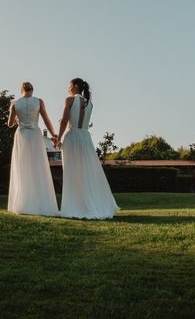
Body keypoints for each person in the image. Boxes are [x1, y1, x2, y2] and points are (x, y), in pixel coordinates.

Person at [56, 78, 119, 219]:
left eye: (69, 86)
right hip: (85, 138)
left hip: (72, 137)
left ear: (75, 87)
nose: (68, 89)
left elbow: (66, 121)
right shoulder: (90, 103)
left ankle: (75, 205)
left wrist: (59, 138)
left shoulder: (69, 100)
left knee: (72, 172)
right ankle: (92, 203)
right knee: (87, 171)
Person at [7, 81, 59, 216]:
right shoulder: (39, 101)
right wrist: (53, 134)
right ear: (32, 90)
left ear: (21, 90)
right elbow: (46, 119)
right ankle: (41, 203)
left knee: (22, 167)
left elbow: (10, 124)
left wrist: (17, 117)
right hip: (35, 134)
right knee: (38, 166)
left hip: (22, 135)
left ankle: (23, 203)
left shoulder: (15, 103)